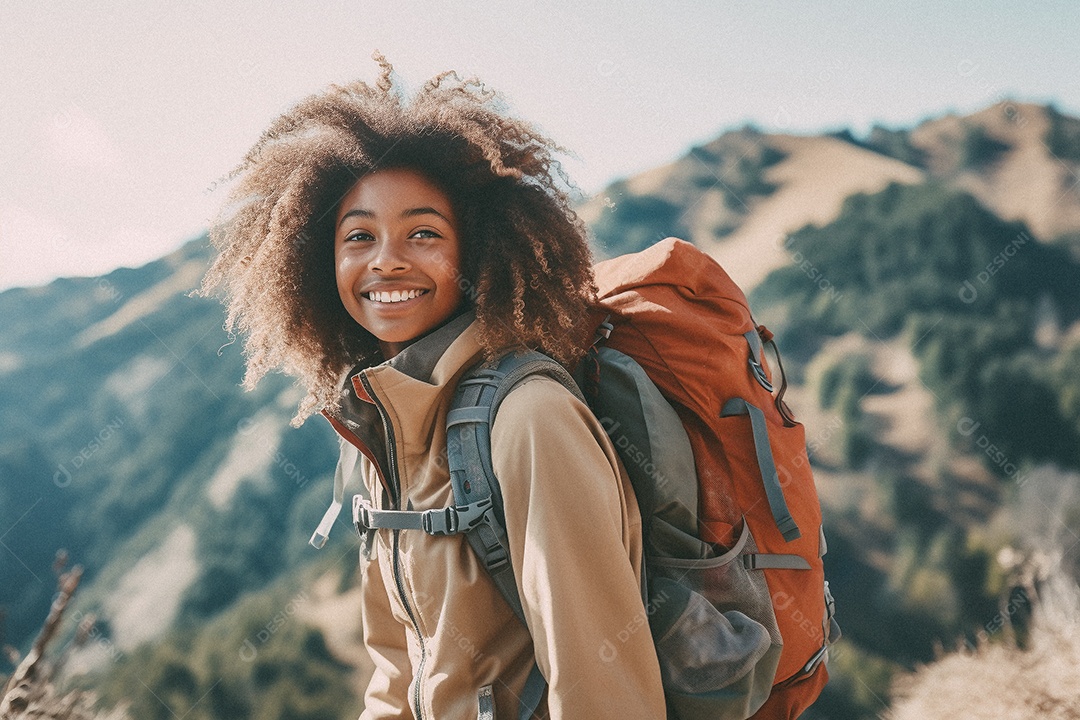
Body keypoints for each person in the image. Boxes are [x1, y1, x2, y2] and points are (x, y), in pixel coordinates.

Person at [200, 55, 666, 719]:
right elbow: (398, 669)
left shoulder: (530, 419)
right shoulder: (383, 423)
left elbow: (604, 687)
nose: (387, 258)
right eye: (359, 235)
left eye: (423, 233)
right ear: (318, 261)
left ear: (475, 251)